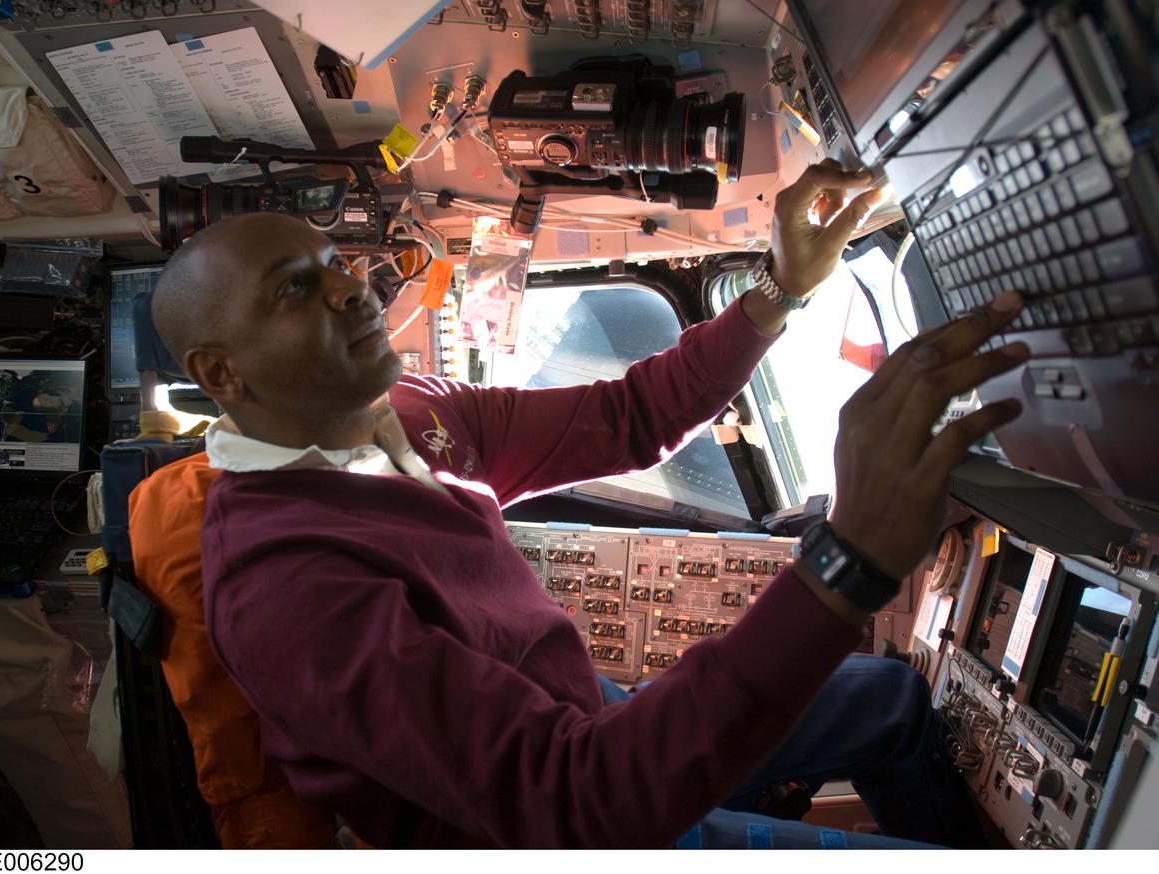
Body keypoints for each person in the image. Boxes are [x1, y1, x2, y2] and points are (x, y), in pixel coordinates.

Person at [150, 162, 1029, 848]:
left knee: (892, 702)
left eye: (334, 264)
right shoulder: (281, 591)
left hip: (590, 722)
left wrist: (779, 286)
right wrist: (847, 562)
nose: (350, 288)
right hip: (575, 822)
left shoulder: (414, 414)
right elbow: (579, 803)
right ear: (221, 372)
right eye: (294, 289)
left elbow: (629, 416)